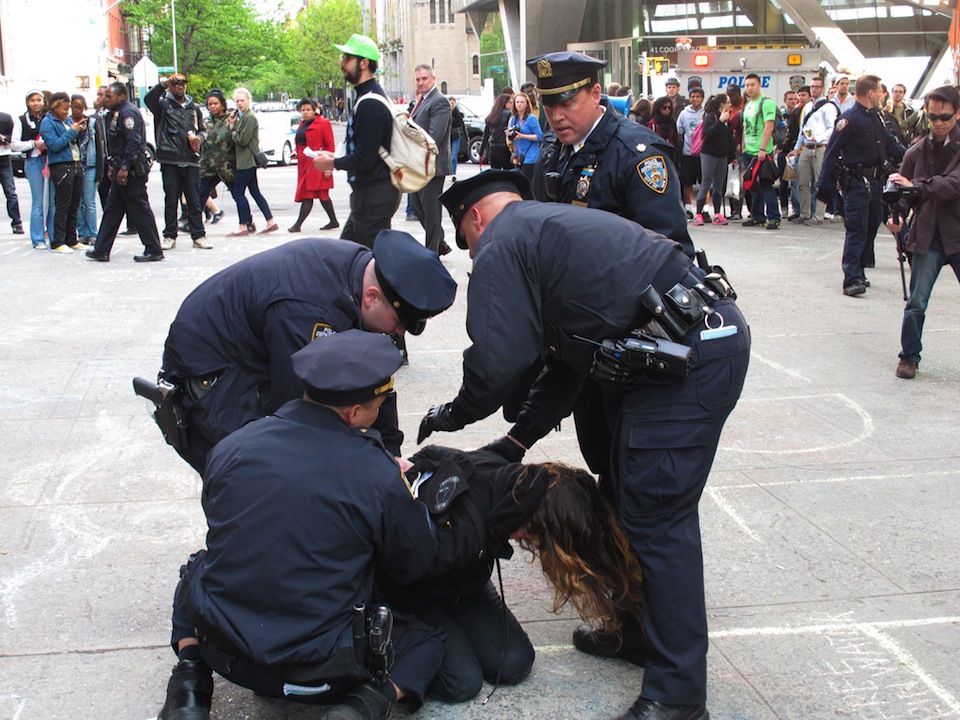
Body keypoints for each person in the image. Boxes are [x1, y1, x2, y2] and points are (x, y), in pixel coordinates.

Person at [423, 170, 750, 720]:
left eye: (467, 240)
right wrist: (516, 440)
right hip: (671, 353)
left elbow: (500, 360)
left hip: (688, 359)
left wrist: (454, 413)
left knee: (659, 520)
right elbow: (567, 364)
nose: (474, 253)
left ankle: (678, 696)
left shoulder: (504, 240)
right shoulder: (542, 231)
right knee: (625, 497)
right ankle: (638, 632)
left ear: (474, 218)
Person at [156, 330, 445, 720]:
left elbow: (222, 523)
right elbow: (414, 562)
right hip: (323, 672)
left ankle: (189, 684)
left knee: (195, 572)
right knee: (427, 641)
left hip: (226, 655)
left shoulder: (231, 448)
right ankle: (360, 707)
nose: (379, 414)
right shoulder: (375, 473)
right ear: (355, 413)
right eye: (378, 405)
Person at [153, 230, 456, 475]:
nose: (401, 333)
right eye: (401, 322)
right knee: (268, 483)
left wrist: (390, 458)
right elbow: (303, 415)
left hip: (256, 356)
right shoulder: (309, 312)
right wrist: (370, 467)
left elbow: (376, 385)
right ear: (372, 298)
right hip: (212, 380)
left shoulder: (367, 276)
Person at [384, 445, 644, 703]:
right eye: (538, 540)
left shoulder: (514, 483)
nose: (532, 546)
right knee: (462, 683)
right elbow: (392, 567)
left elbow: (436, 453)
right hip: (412, 591)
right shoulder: (466, 533)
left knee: (514, 663)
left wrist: (415, 465)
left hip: (463, 581)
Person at [527, 51, 692, 253]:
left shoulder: (638, 156)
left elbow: (669, 252)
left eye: (567, 104)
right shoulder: (552, 147)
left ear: (595, 95)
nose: (556, 116)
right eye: (549, 106)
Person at [884, 85, 960, 380]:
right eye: (933, 117)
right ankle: (909, 357)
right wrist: (897, 215)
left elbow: (952, 185)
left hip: (956, 232)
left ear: (956, 114)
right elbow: (901, 194)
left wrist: (914, 186)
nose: (938, 122)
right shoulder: (916, 150)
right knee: (916, 301)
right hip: (927, 235)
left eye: (945, 116)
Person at [817, 74, 905, 296]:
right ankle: (851, 278)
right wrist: (824, 186)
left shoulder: (877, 117)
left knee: (872, 224)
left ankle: (861, 269)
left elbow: (889, 144)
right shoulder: (849, 119)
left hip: (876, 181)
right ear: (871, 93)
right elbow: (832, 152)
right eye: (880, 91)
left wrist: (911, 157)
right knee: (857, 228)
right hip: (856, 181)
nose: (883, 95)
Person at [313, 34, 398, 249]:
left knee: (366, 263)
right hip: (369, 195)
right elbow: (366, 150)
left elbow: (365, 158)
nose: (341, 63)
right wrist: (337, 157)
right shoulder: (367, 98)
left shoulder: (370, 103)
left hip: (374, 196)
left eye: (346, 58)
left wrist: (331, 163)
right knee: (348, 258)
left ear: (364, 63)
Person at [84, 82, 164, 263]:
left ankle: (153, 249)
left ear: (121, 96)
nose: (106, 99)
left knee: (140, 209)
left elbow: (133, 143)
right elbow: (116, 144)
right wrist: (114, 166)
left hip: (132, 170)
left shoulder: (128, 113)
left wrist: (125, 168)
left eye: (109, 96)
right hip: (121, 167)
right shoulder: (116, 112)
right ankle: (101, 249)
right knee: (112, 209)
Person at [145, 73, 212, 250]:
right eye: (175, 84)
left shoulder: (194, 108)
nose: (179, 87)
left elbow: (204, 130)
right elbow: (148, 99)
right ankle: (169, 235)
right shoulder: (163, 106)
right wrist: (163, 84)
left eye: (182, 84)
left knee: (194, 200)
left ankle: (198, 235)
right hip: (170, 158)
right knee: (171, 199)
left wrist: (199, 139)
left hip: (191, 159)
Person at [410, 64, 452, 256]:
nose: (420, 83)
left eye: (424, 79)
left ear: (433, 79)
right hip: (418, 165)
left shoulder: (439, 102)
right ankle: (440, 241)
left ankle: (432, 253)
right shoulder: (422, 101)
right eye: (418, 79)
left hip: (432, 165)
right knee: (418, 207)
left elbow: (435, 136)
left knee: (431, 211)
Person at [226, 88, 278, 236]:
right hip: (244, 160)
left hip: (247, 160)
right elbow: (236, 137)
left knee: (238, 192)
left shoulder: (249, 117)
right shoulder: (242, 117)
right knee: (254, 192)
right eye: (237, 101)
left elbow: (242, 140)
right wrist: (232, 125)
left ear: (249, 100)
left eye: (242, 100)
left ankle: (243, 225)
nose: (240, 103)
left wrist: (234, 131)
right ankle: (270, 221)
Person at [40, 92, 86, 253]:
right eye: (64, 109)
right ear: (54, 107)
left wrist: (79, 130)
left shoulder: (66, 120)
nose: (67, 113)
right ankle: (58, 241)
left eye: (68, 109)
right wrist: (72, 131)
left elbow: (72, 140)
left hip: (75, 162)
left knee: (75, 204)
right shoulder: (47, 123)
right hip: (61, 165)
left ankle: (71, 238)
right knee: (63, 205)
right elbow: (54, 145)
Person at [790, 82, 838, 226]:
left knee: (819, 182)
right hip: (807, 146)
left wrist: (821, 137)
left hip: (821, 146)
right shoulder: (807, 107)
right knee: (802, 181)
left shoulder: (828, 107)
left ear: (822, 88)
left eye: (817, 87)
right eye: (812, 87)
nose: (814, 89)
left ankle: (818, 215)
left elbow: (832, 127)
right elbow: (802, 130)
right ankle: (804, 213)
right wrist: (797, 148)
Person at [288, 97, 338, 233]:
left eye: (308, 110)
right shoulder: (302, 123)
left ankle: (298, 224)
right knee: (321, 195)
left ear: (315, 109)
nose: (305, 112)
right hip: (305, 164)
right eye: (303, 110)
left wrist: (329, 166)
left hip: (318, 164)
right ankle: (333, 220)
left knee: (312, 194)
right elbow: (299, 142)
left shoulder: (323, 123)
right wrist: (295, 152)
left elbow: (330, 145)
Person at [740, 73, 781, 229]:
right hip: (749, 151)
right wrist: (743, 146)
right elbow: (745, 127)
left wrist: (763, 149)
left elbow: (768, 126)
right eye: (747, 85)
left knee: (766, 185)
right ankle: (757, 216)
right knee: (753, 187)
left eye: (752, 85)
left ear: (759, 85)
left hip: (762, 152)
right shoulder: (748, 104)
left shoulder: (766, 103)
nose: (749, 88)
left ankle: (774, 217)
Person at [13, 90, 53, 248]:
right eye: (32, 100)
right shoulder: (22, 120)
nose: (36, 103)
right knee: (38, 201)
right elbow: (15, 144)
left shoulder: (48, 118)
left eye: (39, 100)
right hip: (34, 162)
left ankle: (54, 235)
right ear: (27, 102)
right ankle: (38, 238)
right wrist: (32, 144)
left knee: (52, 201)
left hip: (50, 161)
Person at [695, 93, 734, 225]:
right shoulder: (711, 116)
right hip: (709, 153)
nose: (730, 104)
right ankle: (699, 214)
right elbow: (709, 132)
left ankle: (717, 214)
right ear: (721, 104)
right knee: (706, 183)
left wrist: (731, 156)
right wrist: (721, 121)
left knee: (719, 184)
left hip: (722, 155)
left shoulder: (727, 118)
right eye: (728, 102)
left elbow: (729, 139)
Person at [197, 89, 234, 226]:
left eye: (215, 103)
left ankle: (247, 220)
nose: (212, 106)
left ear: (222, 105)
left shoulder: (230, 120)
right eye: (210, 104)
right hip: (209, 166)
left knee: (237, 194)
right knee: (201, 193)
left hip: (226, 165)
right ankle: (194, 223)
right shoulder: (207, 123)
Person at [676, 86, 704, 219]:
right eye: (693, 96)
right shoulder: (684, 113)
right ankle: (688, 208)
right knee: (688, 182)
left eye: (698, 96)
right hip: (688, 152)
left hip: (704, 154)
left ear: (702, 98)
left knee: (705, 182)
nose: (695, 99)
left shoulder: (706, 113)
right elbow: (679, 131)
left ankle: (704, 209)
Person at [507, 90, 543, 182]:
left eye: (522, 102)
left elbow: (540, 137)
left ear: (527, 104)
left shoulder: (531, 119)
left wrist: (522, 136)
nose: (519, 104)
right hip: (518, 156)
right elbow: (512, 139)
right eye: (517, 102)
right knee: (519, 182)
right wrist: (509, 135)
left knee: (525, 183)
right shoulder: (513, 120)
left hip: (531, 156)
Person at [778, 89, 801, 220]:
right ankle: (784, 208)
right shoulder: (781, 116)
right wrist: (780, 146)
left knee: (795, 181)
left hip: (795, 151)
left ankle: (796, 208)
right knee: (783, 181)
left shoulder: (799, 114)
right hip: (783, 152)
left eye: (794, 99)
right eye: (790, 99)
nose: (792, 102)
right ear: (785, 100)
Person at [479, 93, 514, 170]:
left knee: (495, 175)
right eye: (511, 103)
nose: (512, 105)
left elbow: (485, 136)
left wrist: (481, 152)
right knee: (507, 174)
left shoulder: (492, 115)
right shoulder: (509, 114)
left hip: (493, 149)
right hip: (505, 149)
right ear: (505, 103)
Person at [448, 96, 467, 181]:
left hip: (456, 136)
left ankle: (453, 173)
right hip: (447, 138)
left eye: (453, 103)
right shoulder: (445, 113)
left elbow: (462, 126)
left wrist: (467, 138)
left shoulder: (458, 114)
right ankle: (448, 171)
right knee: (447, 156)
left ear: (455, 104)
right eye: (450, 103)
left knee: (454, 156)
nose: (451, 105)